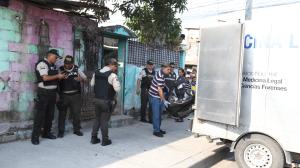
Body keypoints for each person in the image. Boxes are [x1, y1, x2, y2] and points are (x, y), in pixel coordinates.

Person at [31, 49, 65, 145]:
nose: (56, 59)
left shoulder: (53, 66)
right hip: (43, 93)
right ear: (50, 55)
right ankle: (35, 137)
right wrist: (58, 76)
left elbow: (54, 79)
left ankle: (46, 133)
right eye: (55, 57)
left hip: (52, 93)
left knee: (50, 115)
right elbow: (45, 78)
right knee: (40, 116)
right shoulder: (42, 64)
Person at [90, 58, 120, 146]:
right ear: (110, 65)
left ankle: (93, 138)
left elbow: (92, 84)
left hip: (96, 100)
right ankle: (105, 140)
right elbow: (117, 89)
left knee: (97, 118)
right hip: (106, 102)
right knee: (104, 120)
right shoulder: (113, 75)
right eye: (115, 66)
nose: (116, 68)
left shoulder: (96, 72)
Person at [57, 55, 87, 138]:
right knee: (62, 114)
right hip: (64, 95)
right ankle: (60, 132)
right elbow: (56, 80)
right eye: (65, 63)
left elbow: (85, 78)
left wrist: (80, 79)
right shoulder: (61, 69)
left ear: (72, 63)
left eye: (69, 64)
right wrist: (60, 78)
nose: (67, 65)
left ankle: (77, 130)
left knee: (76, 114)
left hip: (75, 95)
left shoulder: (77, 69)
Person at [149, 63, 171, 137]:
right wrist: (164, 100)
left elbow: (162, 86)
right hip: (155, 97)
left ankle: (158, 128)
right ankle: (156, 131)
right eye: (168, 69)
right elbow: (160, 89)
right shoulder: (160, 76)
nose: (169, 71)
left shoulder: (162, 73)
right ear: (163, 68)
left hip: (158, 96)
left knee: (159, 114)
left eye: (170, 69)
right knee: (156, 115)